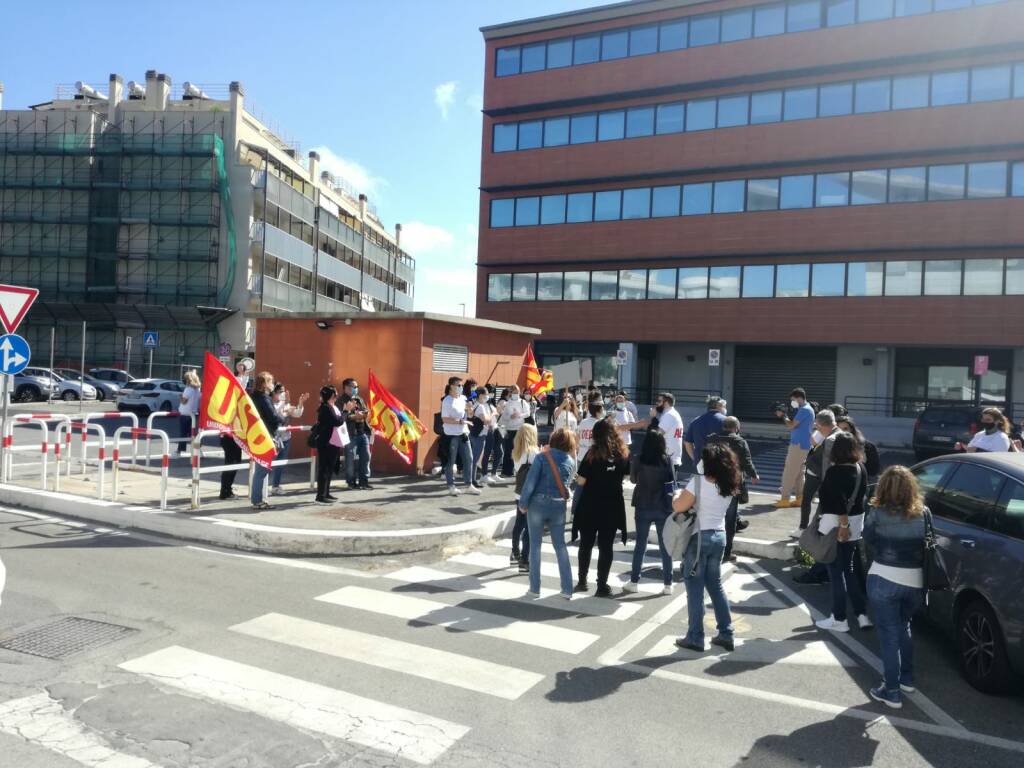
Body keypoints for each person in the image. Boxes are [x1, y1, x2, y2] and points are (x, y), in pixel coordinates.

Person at [863, 465, 928, 709]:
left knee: (889, 636)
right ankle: (907, 679)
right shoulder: (924, 512)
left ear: (883, 487)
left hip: (884, 577)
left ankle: (891, 691)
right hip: (915, 581)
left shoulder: (877, 512)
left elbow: (867, 539)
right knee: (904, 627)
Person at [671, 443, 739, 652]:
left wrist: (676, 495)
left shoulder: (698, 482)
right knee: (716, 586)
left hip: (698, 538)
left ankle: (695, 636)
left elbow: (679, 506)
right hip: (719, 536)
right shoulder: (730, 483)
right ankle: (726, 633)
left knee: (695, 589)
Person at [814, 432, 872, 633]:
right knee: (849, 570)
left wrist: (843, 526)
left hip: (837, 526)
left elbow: (837, 501)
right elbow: (861, 497)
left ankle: (839, 619)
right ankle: (862, 615)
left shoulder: (834, 472)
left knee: (836, 573)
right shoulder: (860, 468)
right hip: (856, 525)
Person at [573, 419, 630, 597]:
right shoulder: (622, 453)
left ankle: (582, 581)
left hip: (590, 504)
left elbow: (581, 481)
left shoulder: (591, 454)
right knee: (606, 546)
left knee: (586, 544)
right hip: (612, 505)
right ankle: (602, 585)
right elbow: (627, 475)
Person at [519, 428, 578, 599]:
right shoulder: (570, 461)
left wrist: (523, 503)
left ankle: (535, 588)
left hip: (538, 503)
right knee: (560, 546)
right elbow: (568, 483)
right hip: (559, 505)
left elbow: (530, 483)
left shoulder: (542, 457)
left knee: (535, 545)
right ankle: (567, 588)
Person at [624, 429, 675, 595]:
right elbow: (672, 482)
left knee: (640, 545)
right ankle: (668, 583)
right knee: (665, 545)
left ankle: (634, 581)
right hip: (662, 506)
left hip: (642, 505)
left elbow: (632, 479)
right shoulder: (667, 460)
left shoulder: (639, 459)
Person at [708, 416, 759, 562]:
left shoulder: (711, 439)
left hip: (712, 484)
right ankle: (726, 552)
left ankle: (710, 549)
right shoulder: (740, 442)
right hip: (732, 485)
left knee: (712, 518)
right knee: (730, 520)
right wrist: (754, 475)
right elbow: (746, 461)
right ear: (736, 428)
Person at [793, 410, 840, 538]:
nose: (816, 428)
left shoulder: (831, 438)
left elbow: (826, 462)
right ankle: (811, 528)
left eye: (817, 425)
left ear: (821, 425)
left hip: (818, 473)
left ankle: (805, 528)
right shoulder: (838, 433)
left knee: (809, 499)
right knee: (813, 501)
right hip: (819, 472)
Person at [775, 388, 815, 509]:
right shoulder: (808, 409)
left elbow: (791, 426)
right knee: (799, 473)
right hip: (804, 444)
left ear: (799, 398)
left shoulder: (804, 410)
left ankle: (785, 499)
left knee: (790, 472)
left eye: (793, 400)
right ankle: (800, 498)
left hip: (798, 445)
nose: (792, 402)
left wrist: (783, 416)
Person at [314, 385, 352, 504]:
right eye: (335, 393)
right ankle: (320, 496)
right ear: (331, 395)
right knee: (324, 469)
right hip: (326, 442)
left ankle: (326, 492)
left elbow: (338, 419)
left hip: (333, 442)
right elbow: (338, 421)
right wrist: (346, 411)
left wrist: (344, 412)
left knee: (329, 468)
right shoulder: (325, 408)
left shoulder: (332, 406)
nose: (336, 395)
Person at [249, 371, 282, 511]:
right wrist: (282, 417)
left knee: (261, 470)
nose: (272, 384)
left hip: (257, 435)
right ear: (264, 384)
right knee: (261, 471)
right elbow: (273, 417)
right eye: (270, 381)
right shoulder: (263, 398)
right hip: (266, 435)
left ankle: (258, 499)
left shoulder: (253, 397)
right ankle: (257, 500)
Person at [442, 378, 479, 496]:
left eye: (462, 385)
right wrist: (460, 422)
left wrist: (470, 409)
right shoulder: (447, 401)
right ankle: (451, 486)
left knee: (469, 458)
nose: (461, 387)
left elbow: (470, 415)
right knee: (451, 461)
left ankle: (469, 485)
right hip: (451, 435)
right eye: (458, 385)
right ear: (452, 386)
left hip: (463, 433)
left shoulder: (463, 398)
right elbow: (445, 419)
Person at [269, 383, 308, 495]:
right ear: (274, 392)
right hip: (272, 438)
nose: (283, 394)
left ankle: (275, 486)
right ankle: (260, 485)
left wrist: (300, 403)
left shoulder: (285, 404)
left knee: (280, 463)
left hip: (285, 438)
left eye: (284, 391)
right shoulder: (269, 404)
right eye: (281, 391)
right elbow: (274, 415)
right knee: (267, 463)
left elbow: (297, 413)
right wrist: (285, 404)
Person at [511, 423, 539, 571]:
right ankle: (524, 559)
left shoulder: (516, 451)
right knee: (529, 528)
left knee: (518, 524)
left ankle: (514, 551)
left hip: (519, 492)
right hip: (532, 494)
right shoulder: (534, 452)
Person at [340, 378, 372, 490]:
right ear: (346, 388)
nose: (356, 389)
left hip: (362, 433)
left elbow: (365, 411)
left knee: (366, 457)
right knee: (350, 459)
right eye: (354, 387)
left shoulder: (359, 399)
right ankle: (351, 482)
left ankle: (364, 481)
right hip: (349, 434)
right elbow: (341, 417)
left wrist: (364, 414)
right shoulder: (341, 400)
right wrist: (355, 416)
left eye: (356, 387)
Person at [684, 396, 727, 465]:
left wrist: (695, 459)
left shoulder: (695, 421)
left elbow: (688, 443)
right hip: (721, 462)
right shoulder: (726, 421)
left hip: (701, 462)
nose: (725, 409)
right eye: (724, 406)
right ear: (719, 406)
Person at [650, 392, 685, 475]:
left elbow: (657, 434)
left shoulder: (669, 415)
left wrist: (653, 417)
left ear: (665, 403)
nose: (656, 403)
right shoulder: (672, 413)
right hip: (671, 457)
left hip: (668, 458)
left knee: (664, 486)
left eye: (659, 401)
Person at [498, 385, 527, 477]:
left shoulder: (523, 402)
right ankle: (507, 471)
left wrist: (519, 415)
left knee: (520, 451)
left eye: (517, 392)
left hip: (520, 429)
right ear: (510, 393)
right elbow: (503, 416)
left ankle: (520, 470)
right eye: (513, 392)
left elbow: (528, 413)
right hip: (510, 429)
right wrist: (510, 417)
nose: (515, 394)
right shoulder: (507, 403)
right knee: (508, 451)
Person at [178, 370, 200, 455]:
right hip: (193, 413)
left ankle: (179, 450)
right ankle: (198, 450)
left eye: (185, 378)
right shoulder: (197, 389)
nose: (184, 380)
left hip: (185, 413)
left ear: (188, 380)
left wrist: (180, 396)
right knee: (193, 433)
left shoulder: (188, 389)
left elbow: (184, 401)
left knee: (183, 433)